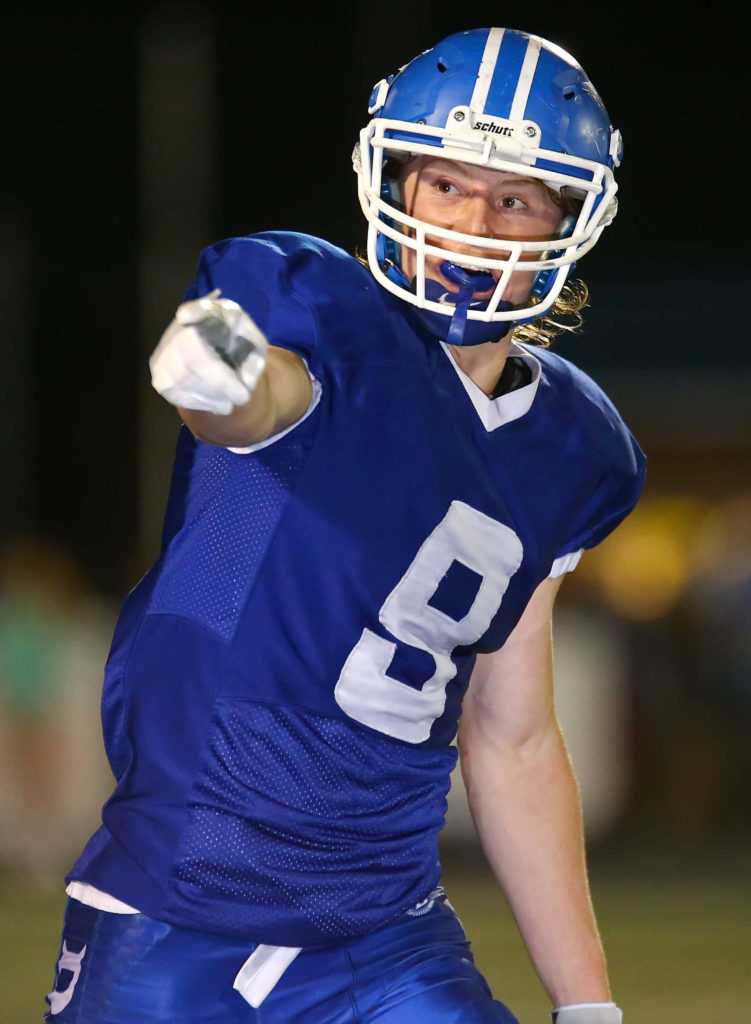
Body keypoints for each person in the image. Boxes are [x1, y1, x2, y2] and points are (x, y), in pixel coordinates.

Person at [45, 27, 645, 1024]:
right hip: (176, 916)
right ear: (396, 182)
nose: (472, 222)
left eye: (512, 198)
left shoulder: (569, 448)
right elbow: (256, 403)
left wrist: (586, 1002)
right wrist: (217, 372)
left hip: (390, 930)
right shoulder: (316, 311)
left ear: (567, 220)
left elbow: (512, 736)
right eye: (446, 185)